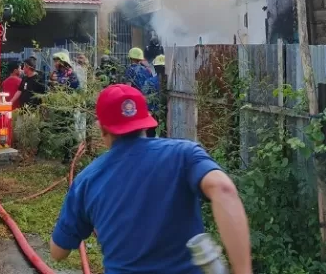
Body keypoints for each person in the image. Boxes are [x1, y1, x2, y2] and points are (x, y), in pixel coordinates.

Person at [50, 84, 252, 274]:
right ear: (146, 122)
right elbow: (223, 189)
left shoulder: (86, 180)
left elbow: (58, 252)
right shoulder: (184, 155)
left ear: (102, 129)